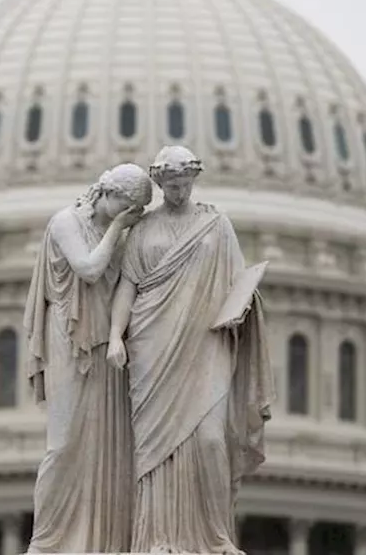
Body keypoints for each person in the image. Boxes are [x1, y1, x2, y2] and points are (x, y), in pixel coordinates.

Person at [107, 146, 275, 554]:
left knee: (210, 441)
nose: (179, 192)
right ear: (160, 183)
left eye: (185, 185)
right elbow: (127, 286)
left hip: (207, 343)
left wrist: (241, 309)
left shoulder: (216, 226)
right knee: (154, 451)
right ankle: (157, 539)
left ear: (194, 180)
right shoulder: (143, 229)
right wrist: (115, 336)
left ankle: (215, 537)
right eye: (171, 186)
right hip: (152, 346)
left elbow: (239, 283)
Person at [24, 163, 153, 553]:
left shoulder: (123, 233)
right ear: (109, 195)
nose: (132, 218)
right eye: (130, 208)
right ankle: (49, 542)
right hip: (69, 338)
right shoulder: (66, 222)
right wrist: (120, 228)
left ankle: (105, 542)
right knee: (63, 445)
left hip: (108, 348)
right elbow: (90, 269)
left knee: (108, 447)